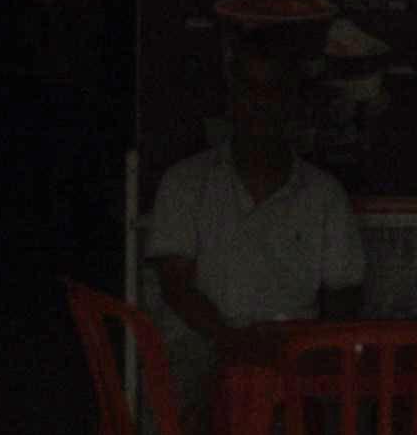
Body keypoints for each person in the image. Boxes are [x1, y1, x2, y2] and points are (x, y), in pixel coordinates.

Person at [143, 45, 366, 409]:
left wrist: (309, 349)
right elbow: (176, 285)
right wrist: (232, 341)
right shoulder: (185, 183)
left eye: (274, 88)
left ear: (292, 101)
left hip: (294, 360)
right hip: (208, 354)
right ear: (232, 99)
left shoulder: (325, 194)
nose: (261, 101)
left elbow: (344, 292)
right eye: (250, 88)